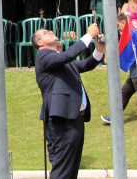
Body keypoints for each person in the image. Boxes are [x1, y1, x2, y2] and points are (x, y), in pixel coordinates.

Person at [32, 20, 105, 179]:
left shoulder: (61, 60)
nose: (50, 32)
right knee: (63, 167)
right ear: (40, 43)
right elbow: (69, 54)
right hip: (63, 117)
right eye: (45, 33)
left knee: (72, 166)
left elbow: (85, 65)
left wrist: (99, 50)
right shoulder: (44, 56)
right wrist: (88, 36)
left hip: (75, 117)